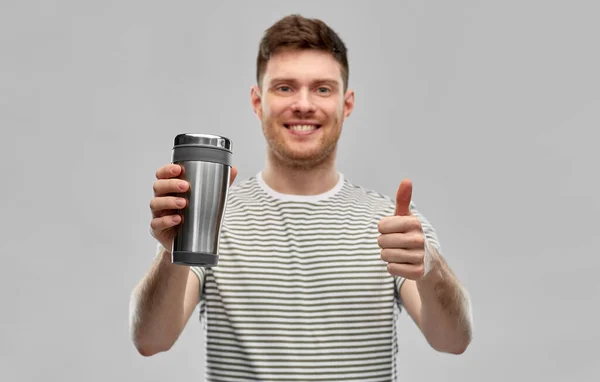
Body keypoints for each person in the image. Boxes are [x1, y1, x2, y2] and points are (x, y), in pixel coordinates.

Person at [129, 14, 473, 382]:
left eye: (323, 89)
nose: (304, 104)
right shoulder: (214, 218)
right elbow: (151, 340)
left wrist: (431, 267)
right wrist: (172, 252)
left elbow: (453, 340)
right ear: (258, 102)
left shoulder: (393, 223)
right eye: (285, 88)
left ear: (347, 104)